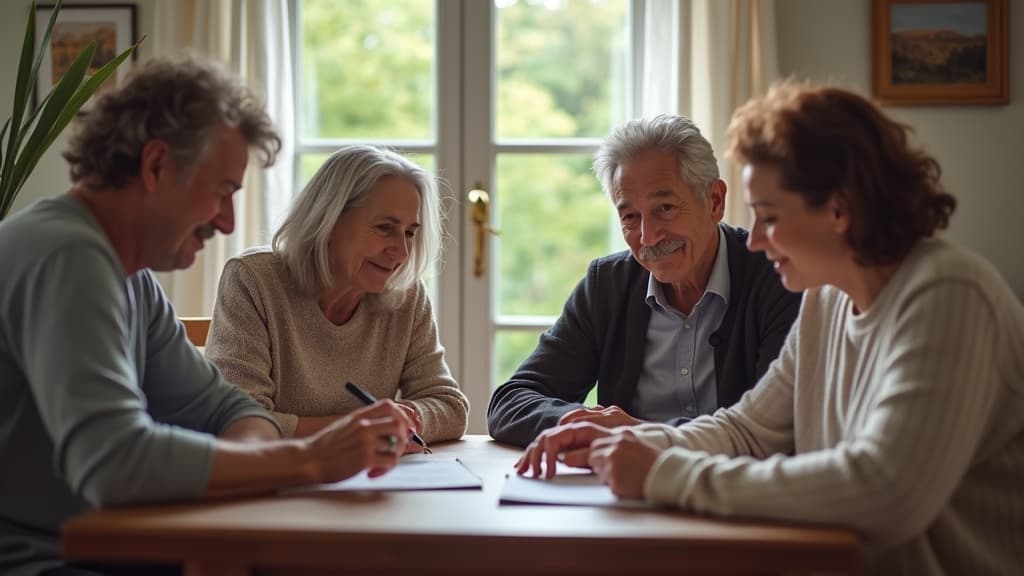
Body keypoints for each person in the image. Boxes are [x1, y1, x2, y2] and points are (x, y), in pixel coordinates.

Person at [516, 82, 1024, 574]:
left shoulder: (949, 292)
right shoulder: (828, 300)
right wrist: (638, 443)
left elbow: (887, 491)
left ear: (839, 209)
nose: (754, 240)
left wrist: (662, 470)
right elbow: (749, 429)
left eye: (769, 217)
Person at [0, 56, 417, 576]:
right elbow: (114, 462)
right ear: (155, 167)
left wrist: (265, 455)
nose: (227, 221)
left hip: (116, 546)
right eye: (222, 192)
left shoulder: (132, 278)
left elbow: (230, 410)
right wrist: (309, 459)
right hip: (42, 558)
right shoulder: (67, 257)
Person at [487, 115, 801, 446]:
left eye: (664, 208)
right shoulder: (607, 285)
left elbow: (774, 426)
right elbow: (510, 402)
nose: (648, 237)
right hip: (624, 490)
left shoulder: (777, 278)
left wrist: (637, 433)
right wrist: (575, 422)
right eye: (630, 217)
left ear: (714, 202)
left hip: (733, 492)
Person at [205, 144, 469, 444]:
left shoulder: (406, 296)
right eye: (385, 228)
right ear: (328, 221)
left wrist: (407, 417)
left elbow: (451, 406)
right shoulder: (254, 280)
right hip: (276, 479)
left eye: (410, 232)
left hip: (372, 483)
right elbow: (237, 421)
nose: (402, 251)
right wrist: (363, 428)